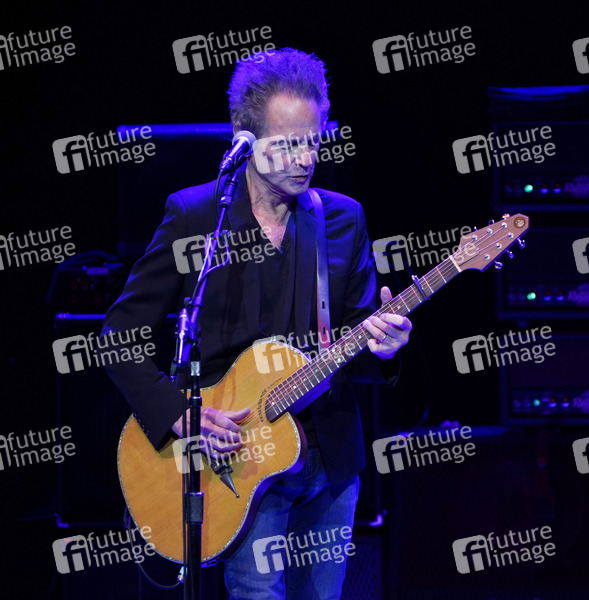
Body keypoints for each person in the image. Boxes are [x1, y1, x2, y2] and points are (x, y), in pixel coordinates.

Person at [102, 48, 411, 599]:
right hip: (238, 458)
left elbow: (355, 337)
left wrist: (384, 347)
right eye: (286, 144)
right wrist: (178, 414)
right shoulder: (197, 216)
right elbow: (119, 336)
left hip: (329, 458)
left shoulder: (343, 218)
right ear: (244, 139)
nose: (305, 158)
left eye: (313, 141)